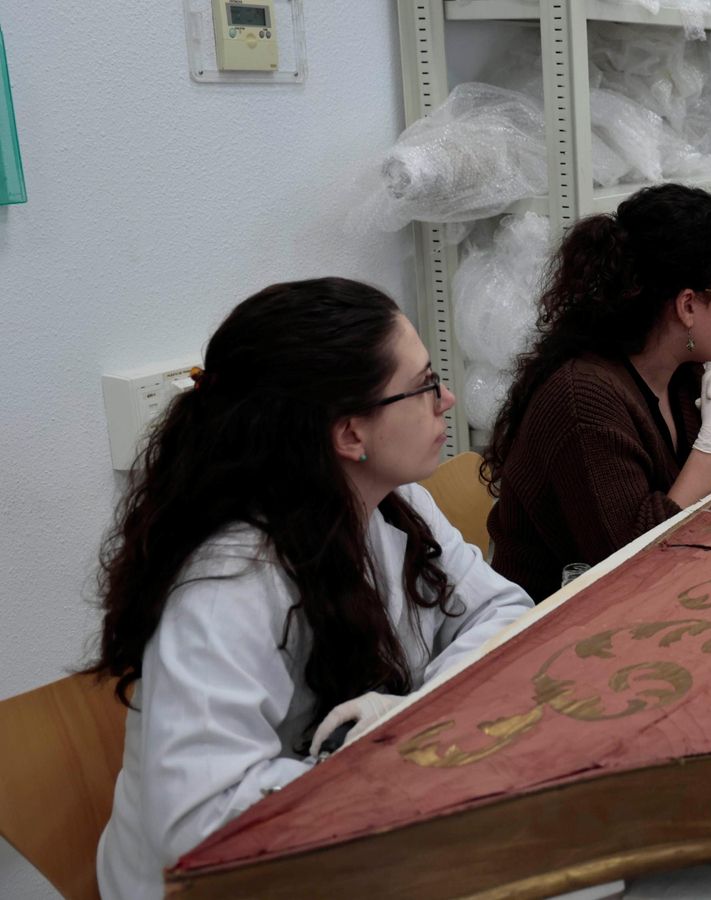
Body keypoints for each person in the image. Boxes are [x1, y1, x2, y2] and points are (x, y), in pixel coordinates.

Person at [90, 279, 535, 900]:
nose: (448, 399)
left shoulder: (396, 503)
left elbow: (505, 612)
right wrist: (370, 756)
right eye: (426, 385)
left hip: (352, 831)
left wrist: (415, 712)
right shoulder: (230, 582)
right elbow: (201, 825)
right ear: (350, 434)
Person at [483, 184, 711, 598]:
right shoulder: (582, 399)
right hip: (552, 623)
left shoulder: (680, 373)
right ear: (688, 305)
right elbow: (634, 563)